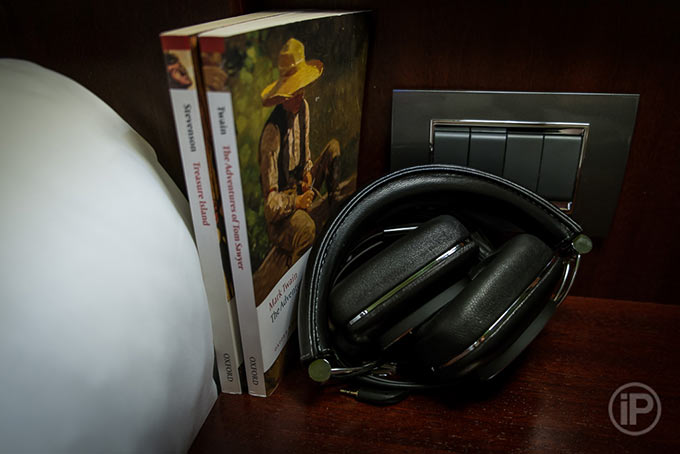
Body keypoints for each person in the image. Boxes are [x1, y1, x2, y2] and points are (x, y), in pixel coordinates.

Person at [258, 38, 341, 266]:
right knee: (306, 230)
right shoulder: (272, 133)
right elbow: (271, 206)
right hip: (282, 216)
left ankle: (336, 208)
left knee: (333, 148)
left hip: (300, 191)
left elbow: (306, 153)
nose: (301, 95)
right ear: (283, 96)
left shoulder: (303, 108)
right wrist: (296, 202)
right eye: (294, 91)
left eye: (302, 88)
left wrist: (307, 174)